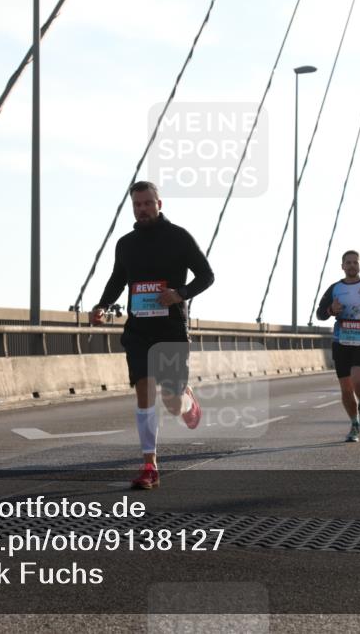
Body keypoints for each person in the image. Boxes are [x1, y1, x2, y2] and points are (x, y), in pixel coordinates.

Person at [91, 181, 213, 489]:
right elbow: (118, 279)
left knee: (171, 401)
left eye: (147, 203)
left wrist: (180, 294)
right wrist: (102, 306)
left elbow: (207, 276)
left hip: (170, 328)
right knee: (144, 395)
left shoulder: (179, 238)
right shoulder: (126, 243)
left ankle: (186, 400)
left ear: (159, 204)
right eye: (137, 205)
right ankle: (149, 465)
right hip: (139, 330)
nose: (142, 209)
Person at [316, 250, 360, 442]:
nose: (351, 266)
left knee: (358, 381)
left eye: (355, 262)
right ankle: (355, 425)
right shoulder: (335, 288)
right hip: (341, 340)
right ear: (342, 266)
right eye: (348, 263)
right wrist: (332, 309)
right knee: (346, 388)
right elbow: (320, 314)